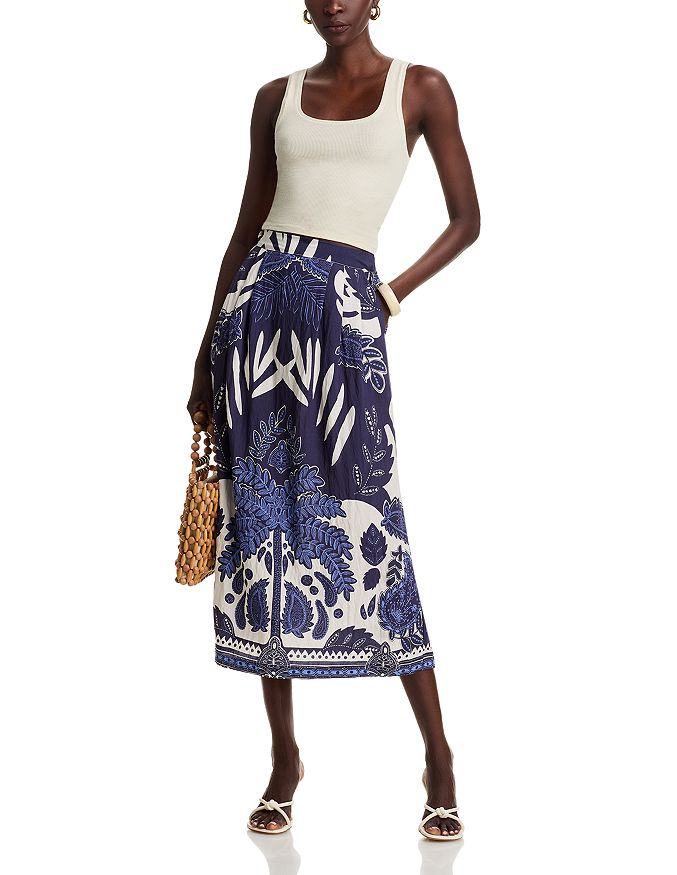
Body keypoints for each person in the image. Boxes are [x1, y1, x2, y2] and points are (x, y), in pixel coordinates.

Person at [187, 0, 480, 841]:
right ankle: (284, 758)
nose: (335, 2)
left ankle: (439, 757)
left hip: (344, 326)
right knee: (264, 532)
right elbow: (245, 228)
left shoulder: (420, 88)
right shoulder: (273, 97)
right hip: (255, 322)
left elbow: (468, 220)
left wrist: (387, 296)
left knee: (372, 523)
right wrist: (204, 353)